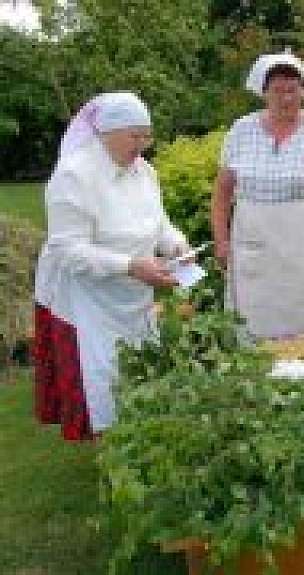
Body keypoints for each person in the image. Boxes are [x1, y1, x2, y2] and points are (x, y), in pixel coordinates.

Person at [33, 92, 189, 440]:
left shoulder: (144, 173)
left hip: (132, 294)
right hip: (86, 300)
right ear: (107, 132)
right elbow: (68, 250)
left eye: (147, 136)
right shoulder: (73, 176)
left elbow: (160, 223)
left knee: (134, 367)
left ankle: (131, 443)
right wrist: (130, 266)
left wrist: (177, 246)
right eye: (136, 136)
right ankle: (111, 452)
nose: (143, 145)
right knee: (99, 375)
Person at [210, 52, 304, 352]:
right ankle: (252, 380)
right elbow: (222, 192)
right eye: (277, 90)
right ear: (263, 92)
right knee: (252, 314)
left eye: (293, 89)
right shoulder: (241, 131)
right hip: (253, 247)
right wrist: (221, 241)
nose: (286, 98)